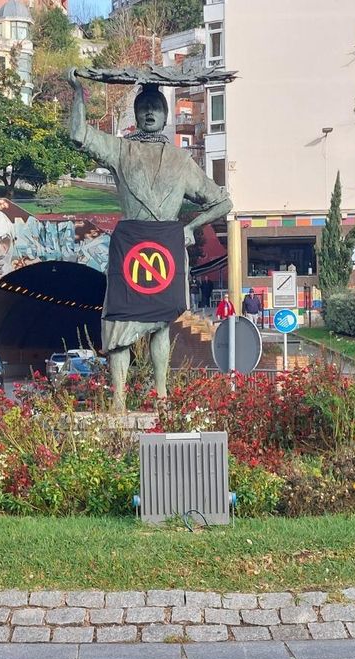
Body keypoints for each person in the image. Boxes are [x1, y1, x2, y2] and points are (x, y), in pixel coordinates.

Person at [67, 67, 232, 412]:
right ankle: (119, 400)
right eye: (144, 107)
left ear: (165, 113)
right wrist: (77, 91)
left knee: (160, 326)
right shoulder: (120, 150)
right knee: (118, 326)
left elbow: (222, 201)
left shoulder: (180, 159)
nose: (150, 112)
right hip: (130, 245)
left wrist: (191, 227)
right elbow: (79, 133)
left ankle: (161, 395)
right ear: (137, 113)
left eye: (156, 106)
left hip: (166, 246)